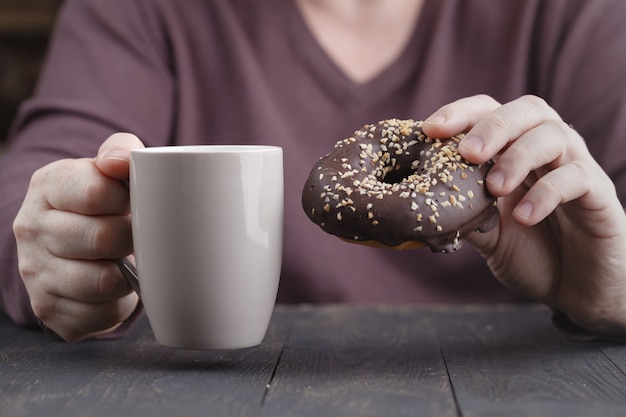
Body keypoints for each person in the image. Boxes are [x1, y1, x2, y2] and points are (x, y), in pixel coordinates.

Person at [0, 0, 625, 343]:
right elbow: (33, 179)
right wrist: (55, 244)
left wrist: (614, 296)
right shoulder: (142, 12)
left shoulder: (571, 14)